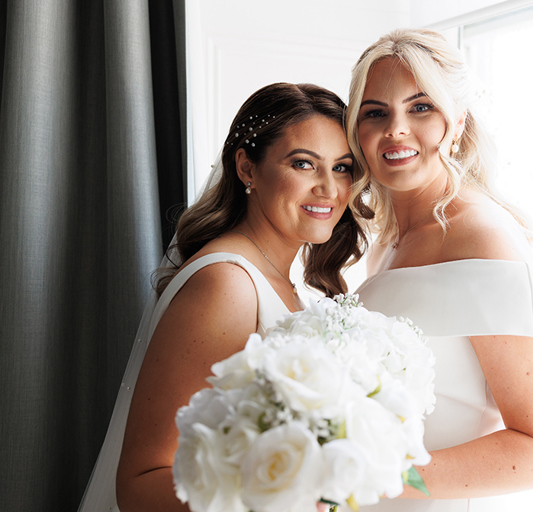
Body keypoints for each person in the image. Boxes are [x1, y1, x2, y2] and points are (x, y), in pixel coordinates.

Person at [78, 82, 368, 512]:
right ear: (247, 168)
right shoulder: (228, 284)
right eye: (304, 164)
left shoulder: (284, 282)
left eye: (342, 167)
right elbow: (141, 482)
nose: (329, 188)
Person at [346, 29, 533, 511]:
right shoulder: (388, 241)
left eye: (420, 107)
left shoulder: (482, 238)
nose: (396, 129)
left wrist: (369, 477)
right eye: (376, 112)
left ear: (457, 122)